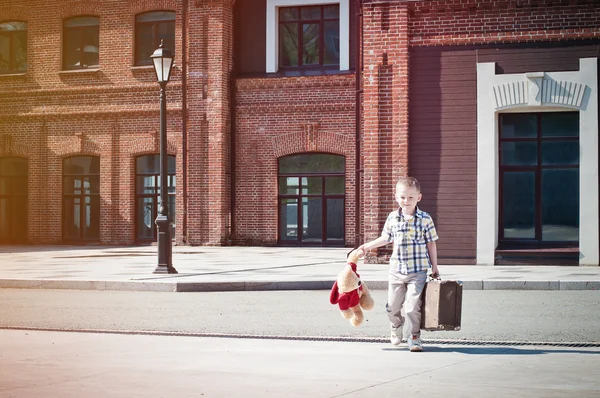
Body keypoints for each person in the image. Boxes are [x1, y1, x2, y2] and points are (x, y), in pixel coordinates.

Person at [357, 176, 439, 352]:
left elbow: (431, 243)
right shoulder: (393, 217)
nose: (406, 201)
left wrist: (435, 267)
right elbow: (386, 238)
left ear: (419, 197)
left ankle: (414, 337)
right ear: (396, 197)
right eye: (402, 197)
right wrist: (366, 246)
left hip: (418, 271)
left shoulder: (425, 219)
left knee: (412, 306)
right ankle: (396, 326)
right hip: (396, 271)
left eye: (410, 197)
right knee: (392, 306)